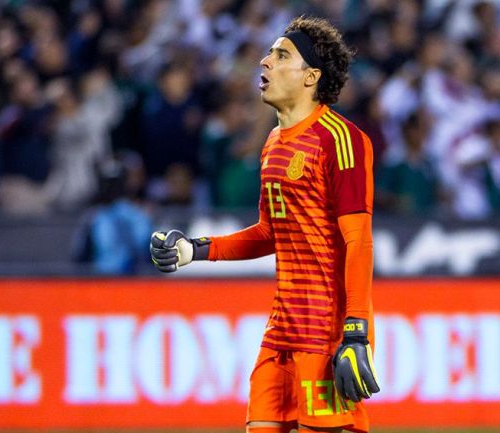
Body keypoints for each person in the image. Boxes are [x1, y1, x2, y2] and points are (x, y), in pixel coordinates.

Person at [150, 16, 380, 433]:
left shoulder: (340, 139)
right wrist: (196, 249)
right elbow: (268, 233)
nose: (264, 61)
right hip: (281, 329)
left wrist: (356, 332)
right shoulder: (273, 144)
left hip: (326, 329)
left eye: (280, 55)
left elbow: (358, 242)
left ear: (311, 77)